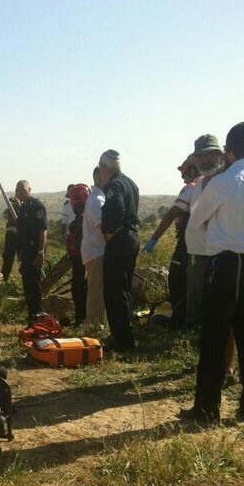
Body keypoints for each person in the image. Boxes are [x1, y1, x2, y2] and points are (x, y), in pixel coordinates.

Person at [180, 122, 244, 425]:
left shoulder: (223, 182)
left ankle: (207, 408)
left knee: (214, 335)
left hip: (225, 263)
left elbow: (196, 219)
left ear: (227, 150)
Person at [143, 158, 199, 328]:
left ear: (193, 169)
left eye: (184, 171)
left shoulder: (192, 188)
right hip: (204, 244)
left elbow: (171, 214)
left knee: (176, 277)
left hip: (187, 243)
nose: (182, 176)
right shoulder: (210, 186)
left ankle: (180, 319)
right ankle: (192, 319)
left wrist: (154, 238)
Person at [183, 136, 227, 327]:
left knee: (216, 295)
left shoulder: (227, 181)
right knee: (194, 292)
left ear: (220, 155)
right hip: (196, 250)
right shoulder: (199, 182)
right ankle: (193, 329)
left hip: (219, 251)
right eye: (200, 156)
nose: (204, 160)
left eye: (209, 154)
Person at [99, 150, 140, 351]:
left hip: (120, 239)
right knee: (123, 289)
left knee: (114, 290)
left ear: (104, 168)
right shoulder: (130, 183)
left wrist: (110, 231)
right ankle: (125, 334)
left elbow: (116, 207)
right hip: (131, 238)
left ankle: (121, 339)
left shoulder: (114, 185)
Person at [15, 180, 48, 325]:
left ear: (29, 190)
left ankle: (38, 313)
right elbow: (22, 232)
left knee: (34, 283)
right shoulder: (22, 208)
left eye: (23, 190)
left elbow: (43, 229)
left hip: (35, 250)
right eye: (18, 190)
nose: (20, 192)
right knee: (27, 283)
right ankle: (31, 313)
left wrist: (41, 251)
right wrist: (20, 251)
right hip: (26, 250)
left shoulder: (37, 206)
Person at [81, 167, 107, 330]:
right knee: (96, 290)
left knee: (98, 289)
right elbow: (103, 226)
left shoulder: (98, 197)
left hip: (95, 250)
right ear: (97, 177)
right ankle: (94, 326)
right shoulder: (97, 200)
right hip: (96, 250)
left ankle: (97, 323)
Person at [66, 184, 90, 326]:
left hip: (83, 258)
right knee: (79, 289)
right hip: (80, 257)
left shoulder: (84, 217)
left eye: (72, 199)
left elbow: (82, 240)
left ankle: (82, 320)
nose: (71, 203)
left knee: (79, 289)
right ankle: (81, 319)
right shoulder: (81, 216)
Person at [1, 197, 21, 282]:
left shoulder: (23, 208)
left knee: (22, 255)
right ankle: (5, 276)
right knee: (8, 255)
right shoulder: (10, 209)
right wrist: (10, 207)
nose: (14, 203)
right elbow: (4, 215)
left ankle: (25, 277)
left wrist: (19, 207)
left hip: (21, 233)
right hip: (11, 233)